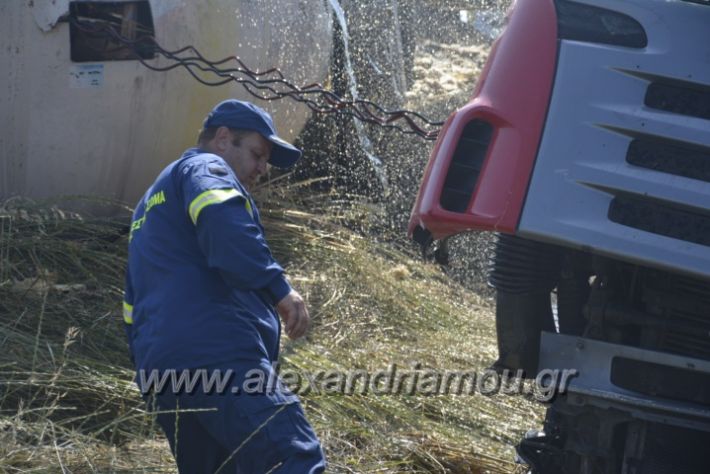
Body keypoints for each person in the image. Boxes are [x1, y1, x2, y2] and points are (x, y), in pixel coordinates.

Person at [122, 99, 326, 473]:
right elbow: (224, 224)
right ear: (222, 139)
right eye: (256, 154)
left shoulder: (149, 206)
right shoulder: (206, 168)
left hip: (163, 372)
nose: (262, 169)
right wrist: (278, 287)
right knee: (293, 456)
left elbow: (131, 307)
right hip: (217, 353)